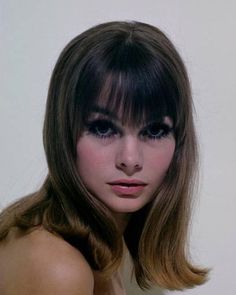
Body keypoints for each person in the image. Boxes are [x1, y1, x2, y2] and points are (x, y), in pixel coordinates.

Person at [0, 20, 209, 294]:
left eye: (155, 130)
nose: (131, 159)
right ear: (63, 133)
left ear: (179, 141)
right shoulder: (56, 267)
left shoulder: (108, 243)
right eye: (103, 128)